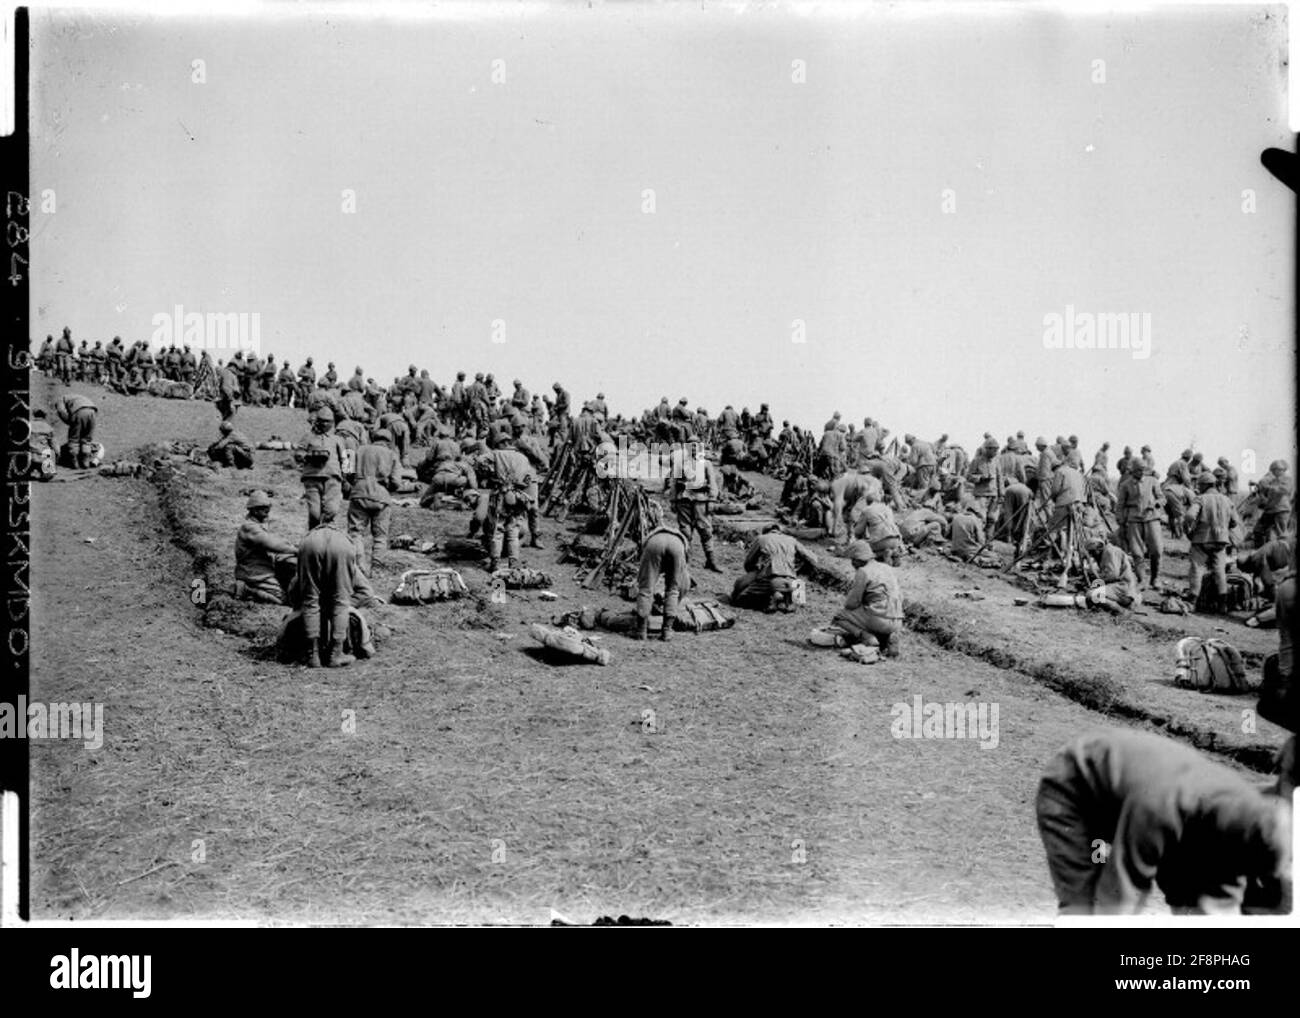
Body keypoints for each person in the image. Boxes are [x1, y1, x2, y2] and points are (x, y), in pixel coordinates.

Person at [1035, 729, 1291, 915]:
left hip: (1143, 798)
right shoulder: (1163, 805)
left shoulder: (1242, 815)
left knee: (1210, 902)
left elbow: (1224, 892)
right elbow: (1124, 886)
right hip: (1075, 788)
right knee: (1087, 904)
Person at [295, 506, 359, 668]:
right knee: (341, 602)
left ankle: (313, 655)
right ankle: (336, 653)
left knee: (310, 600)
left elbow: (298, 584)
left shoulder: (308, 537)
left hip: (310, 545)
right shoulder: (344, 538)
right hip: (341, 548)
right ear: (336, 521)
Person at [832, 540, 904, 658]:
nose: (852, 564)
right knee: (872, 614)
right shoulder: (887, 568)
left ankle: (866, 637)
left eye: (852, 560)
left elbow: (851, 604)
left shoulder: (863, 571)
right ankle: (888, 638)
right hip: (897, 619)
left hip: (879, 618)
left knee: (839, 616)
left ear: (857, 559)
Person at [1184, 472, 1241, 611]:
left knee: (1197, 569)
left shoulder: (1201, 498)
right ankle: (1223, 604)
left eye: (1200, 485)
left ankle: (1192, 601)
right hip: (1221, 540)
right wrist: (1223, 528)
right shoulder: (1227, 500)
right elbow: (1235, 522)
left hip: (1201, 539)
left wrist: (1189, 531)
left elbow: (1190, 515)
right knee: (1220, 571)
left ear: (1204, 485)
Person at [347, 429, 401, 575]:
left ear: (373, 438)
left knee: (355, 532)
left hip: (359, 492)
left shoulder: (359, 449)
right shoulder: (392, 454)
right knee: (380, 536)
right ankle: (377, 569)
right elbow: (396, 482)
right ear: (389, 441)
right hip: (381, 495)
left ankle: (359, 566)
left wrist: (355, 482)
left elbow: (346, 469)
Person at [478, 437, 535, 572]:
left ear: (503, 444)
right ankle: (513, 563)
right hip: (518, 496)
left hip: (502, 494)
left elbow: (480, 460)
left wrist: (489, 472)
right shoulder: (523, 458)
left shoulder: (498, 454)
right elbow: (528, 479)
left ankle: (495, 563)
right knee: (513, 532)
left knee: (498, 530)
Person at [731, 524, 817, 611]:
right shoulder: (792, 540)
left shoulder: (762, 538)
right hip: (794, 581)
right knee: (797, 595)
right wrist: (797, 570)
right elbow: (812, 558)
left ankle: (771, 599)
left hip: (771, 579)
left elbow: (748, 563)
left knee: (739, 600)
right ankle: (787, 600)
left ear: (766, 531)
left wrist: (755, 572)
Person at [633, 511, 690, 642]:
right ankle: (667, 631)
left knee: (646, 589)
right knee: (673, 590)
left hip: (654, 544)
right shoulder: (680, 539)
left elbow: (643, 576)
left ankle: (641, 631)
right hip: (677, 547)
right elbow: (684, 581)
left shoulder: (653, 535)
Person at [667, 440, 722, 572]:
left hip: (701, 500)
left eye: (696, 446)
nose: (693, 449)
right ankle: (684, 561)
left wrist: (712, 500)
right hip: (684, 500)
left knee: (706, 531)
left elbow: (713, 483)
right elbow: (673, 483)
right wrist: (673, 500)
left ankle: (711, 560)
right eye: (690, 446)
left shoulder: (706, 464)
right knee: (685, 532)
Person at [234, 491, 298, 604]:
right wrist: (296, 550)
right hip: (254, 572)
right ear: (254, 510)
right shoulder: (249, 527)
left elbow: (277, 541)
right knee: (281, 599)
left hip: (263, 568)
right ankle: (247, 589)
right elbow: (272, 544)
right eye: (263, 508)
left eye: (268, 507)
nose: (267, 510)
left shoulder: (259, 524)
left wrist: (291, 546)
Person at [295, 407, 348, 529]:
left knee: (331, 511)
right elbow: (298, 453)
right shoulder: (308, 437)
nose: (323, 423)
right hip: (312, 478)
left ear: (332, 422)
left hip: (333, 478)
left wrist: (346, 479)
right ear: (316, 421)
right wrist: (309, 456)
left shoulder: (338, 439)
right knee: (314, 514)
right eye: (321, 420)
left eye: (327, 421)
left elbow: (345, 459)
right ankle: (312, 535)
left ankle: (326, 535)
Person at [1115, 458, 1164, 588]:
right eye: (1138, 470)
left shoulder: (1152, 481)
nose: (1141, 472)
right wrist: (1120, 521)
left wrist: (1156, 504)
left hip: (1152, 519)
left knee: (1157, 550)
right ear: (1133, 471)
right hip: (1133, 521)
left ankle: (1155, 578)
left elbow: (1161, 497)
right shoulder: (1125, 485)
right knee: (1137, 553)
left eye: (1143, 470)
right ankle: (1142, 579)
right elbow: (1120, 505)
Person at [1252, 460, 1293, 547]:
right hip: (1270, 509)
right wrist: (1259, 486)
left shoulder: (1287, 479)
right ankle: (1260, 552)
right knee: (1258, 530)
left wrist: (1269, 488)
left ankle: (1283, 553)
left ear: (1281, 470)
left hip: (1281, 509)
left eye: (1274, 470)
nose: (1273, 472)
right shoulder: (1274, 480)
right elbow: (1268, 491)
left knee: (1281, 533)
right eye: (1273, 470)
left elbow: (1284, 490)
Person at [55, 393, 98, 469]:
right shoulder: (75, 397)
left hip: (78, 411)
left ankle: (75, 463)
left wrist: (71, 422)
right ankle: (86, 462)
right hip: (92, 411)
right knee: (87, 439)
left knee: (74, 439)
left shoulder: (60, 400)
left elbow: (61, 411)